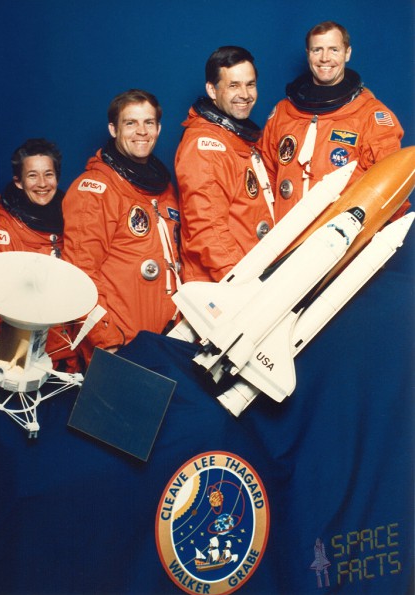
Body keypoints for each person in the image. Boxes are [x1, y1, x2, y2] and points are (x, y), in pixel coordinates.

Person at [62, 89, 181, 364]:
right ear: (113, 129)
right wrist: (108, 342)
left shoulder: (163, 190)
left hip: (167, 340)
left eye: (148, 122)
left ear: (159, 128)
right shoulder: (94, 190)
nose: (141, 131)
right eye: (131, 123)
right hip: (121, 343)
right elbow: (80, 275)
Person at [260, 21, 405, 222]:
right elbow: (264, 178)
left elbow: (392, 189)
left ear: (347, 53)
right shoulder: (283, 112)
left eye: (334, 50)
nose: (324, 58)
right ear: (308, 54)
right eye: (317, 50)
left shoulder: (371, 116)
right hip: (283, 239)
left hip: (337, 243)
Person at [175, 46, 275, 283]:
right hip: (226, 287)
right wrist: (240, 284)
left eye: (250, 84)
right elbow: (207, 230)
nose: (245, 94)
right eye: (233, 85)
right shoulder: (206, 146)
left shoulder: (237, 141)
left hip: (253, 275)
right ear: (212, 89)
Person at [0, 138, 80, 372]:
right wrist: (16, 363)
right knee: (19, 403)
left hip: (70, 349)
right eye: (32, 175)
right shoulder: (1, 230)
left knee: (68, 406)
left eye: (48, 174)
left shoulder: (73, 224)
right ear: (18, 182)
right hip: (21, 349)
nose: (42, 184)